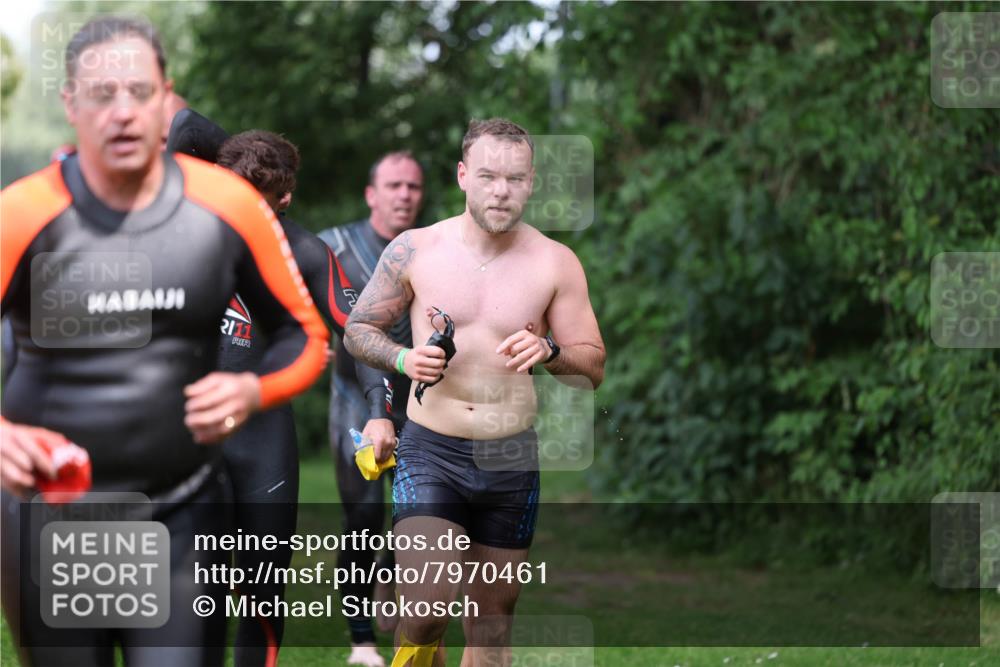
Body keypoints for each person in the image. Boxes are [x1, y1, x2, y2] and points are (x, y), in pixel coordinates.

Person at [0, 17, 328, 667]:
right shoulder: (22, 213)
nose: (122, 111)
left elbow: (306, 333)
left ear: (166, 100)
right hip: (52, 514)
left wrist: (254, 386)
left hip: (181, 514)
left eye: (140, 91)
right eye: (102, 93)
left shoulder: (227, 207)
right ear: (70, 103)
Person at [343, 118, 606, 667]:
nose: (501, 190)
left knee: (491, 626)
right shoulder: (416, 248)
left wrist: (551, 351)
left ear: (532, 183)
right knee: (424, 610)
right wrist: (403, 358)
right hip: (432, 449)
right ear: (463, 175)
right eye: (488, 176)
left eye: (515, 178)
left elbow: (592, 368)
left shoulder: (555, 261)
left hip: (510, 454)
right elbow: (358, 329)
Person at [209, 128, 397, 667]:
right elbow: (181, 128)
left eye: (257, 197)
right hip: (189, 435)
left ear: (284, 198)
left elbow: (359, 336)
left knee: (263, 593)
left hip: (263, 440)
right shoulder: (185, 233)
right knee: (193, 592)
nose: (239, 208)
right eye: (232, 191)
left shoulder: (307, 253)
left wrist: (379, 413)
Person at [318, 151, 424, 667]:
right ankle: (362, 640)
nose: (404, 194)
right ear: (371, 194)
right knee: (362, 516)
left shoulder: (432, 246)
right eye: (394, 185)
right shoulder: (333, 246)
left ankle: (388, 569)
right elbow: (289, 303)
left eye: (413, 186)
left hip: (420, 405)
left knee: (418, 516)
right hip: (354, 403)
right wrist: (306, 341)